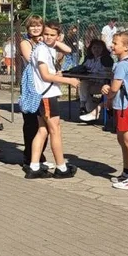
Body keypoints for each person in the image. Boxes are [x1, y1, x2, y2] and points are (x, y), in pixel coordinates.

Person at [25, 21, 80, 180]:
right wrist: (70, 81)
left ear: (58, 36)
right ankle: (61, 167)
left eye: (52, 35)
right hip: (46, 95)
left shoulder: (46, 47)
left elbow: (68, 50)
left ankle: (34, 166)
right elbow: (45, 76)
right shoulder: (42, 50)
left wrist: (55, 42)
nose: (48, 37)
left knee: (43, 130)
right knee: (55, 131)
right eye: (46, 34)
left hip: (44, 94)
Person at [104, 31, 128, 190]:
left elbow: (114, 87)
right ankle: (127, 172)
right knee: (123, 141)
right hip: (121, 106)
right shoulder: (126, 63)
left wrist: (108, 92)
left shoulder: (122, 65)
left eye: (115, 43)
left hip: (125, 108)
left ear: (127, 47)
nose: (112, 46)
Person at [77, 39, 114, 121]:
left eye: (99, 48)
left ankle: (85, 108)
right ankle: (86, 109)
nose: (96, 50)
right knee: (84, 84)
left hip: (102, 84)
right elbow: (83, 68)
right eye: (94, 48)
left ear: (103, 49)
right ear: (91, 49)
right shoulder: (88, 58)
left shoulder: (106, 59)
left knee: (85, 89)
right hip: (90, 82)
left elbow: (109, 72)